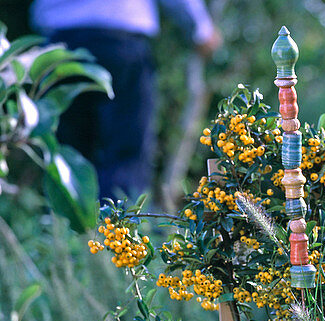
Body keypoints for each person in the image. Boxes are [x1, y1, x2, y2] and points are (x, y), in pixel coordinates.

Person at [29, 0, 222, 201]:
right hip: (121, 42)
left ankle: (63, 227)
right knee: (125, 154)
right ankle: (118, 228)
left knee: (64, 153)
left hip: (59, 45)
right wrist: (201, 29)